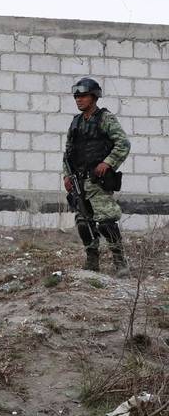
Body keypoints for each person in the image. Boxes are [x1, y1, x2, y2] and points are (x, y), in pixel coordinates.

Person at [62, 78, 130, 274]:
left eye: (83, 96)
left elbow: (123, 144)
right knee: (84, 223)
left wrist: (108, 163)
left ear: (94, 97)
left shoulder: (105, 119)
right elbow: (68, 153)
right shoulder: (75, 123)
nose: (78, 100)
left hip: (97, 181)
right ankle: (92, 262)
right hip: (79, 181)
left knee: (107, 222)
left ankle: (120, 263)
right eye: (77, 96)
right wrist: (67, 176)